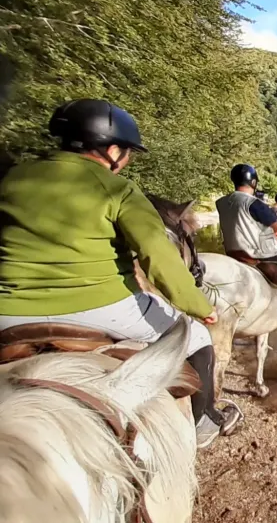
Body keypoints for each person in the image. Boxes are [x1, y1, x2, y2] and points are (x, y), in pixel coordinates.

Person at [0, 99, 239, 448]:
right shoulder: (118, 190)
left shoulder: (12, 179)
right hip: (103, 305)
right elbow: (157, 255)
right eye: (127, 152)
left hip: (8, 311)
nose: (126, 160)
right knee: (199, 338)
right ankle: (203, 423)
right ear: (112, 151)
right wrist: (199, 306)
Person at [215, 165, 277, 319]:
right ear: (254, 183)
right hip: (259, 252)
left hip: (233, 251)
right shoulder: (254, 203)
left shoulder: (221, 202)